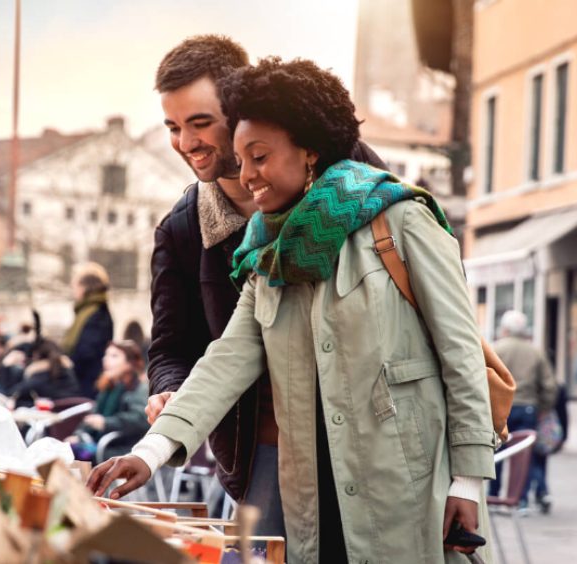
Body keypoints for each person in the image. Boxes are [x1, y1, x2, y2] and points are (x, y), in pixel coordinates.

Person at [89, 58, 495, 563]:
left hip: (406, 479)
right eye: (240, 159)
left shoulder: (401, 219)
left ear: (308, 152)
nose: (247, 174)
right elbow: (225, 362)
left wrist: (469, 480)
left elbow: (461, 353)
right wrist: (148, 453)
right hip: (306, 483)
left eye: (258, 157)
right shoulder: (264, 256)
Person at [144, 35, 387, 537]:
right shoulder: (183, 229)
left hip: (374, 431)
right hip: (267, 448)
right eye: (173, 127)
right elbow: (172, 346)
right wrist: (168, 392)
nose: (186, 144)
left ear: (238, 107)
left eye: (200, 123)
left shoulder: (351, 172)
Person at [490, 310, 557, 513]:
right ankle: (521, 501)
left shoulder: (496, 349)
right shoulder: (535, 352)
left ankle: (493, 496)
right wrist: (544, 408)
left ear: (505, 329)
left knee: (497, 452)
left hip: (502, 407)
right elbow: (550, 385)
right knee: (522, 456)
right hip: (528, 407)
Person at [68, 341, 149, 461]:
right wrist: (78, 435)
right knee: (63, 449)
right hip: (100, 443)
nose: (106, 359)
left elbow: (141, 419)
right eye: (106, 355)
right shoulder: (109, 387)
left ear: (129, 363)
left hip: (122, 447)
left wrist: (106, 423)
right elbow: (92, 418)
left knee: (74, 455)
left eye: (114, 356)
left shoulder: (139, 389)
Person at [62, 262, 114, 399]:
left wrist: (65, 363)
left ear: (86, 287)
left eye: (76, 285)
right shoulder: (88, 311)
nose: (73, 290)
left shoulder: (97, 314)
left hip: (87, 384)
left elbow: (86, 352)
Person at [11, 338, 80, 407]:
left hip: (55, 413)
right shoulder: (68, 371)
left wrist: (6, 366)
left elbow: (13, 393)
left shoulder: (40, 375)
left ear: (36, 356)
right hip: (73, 411)